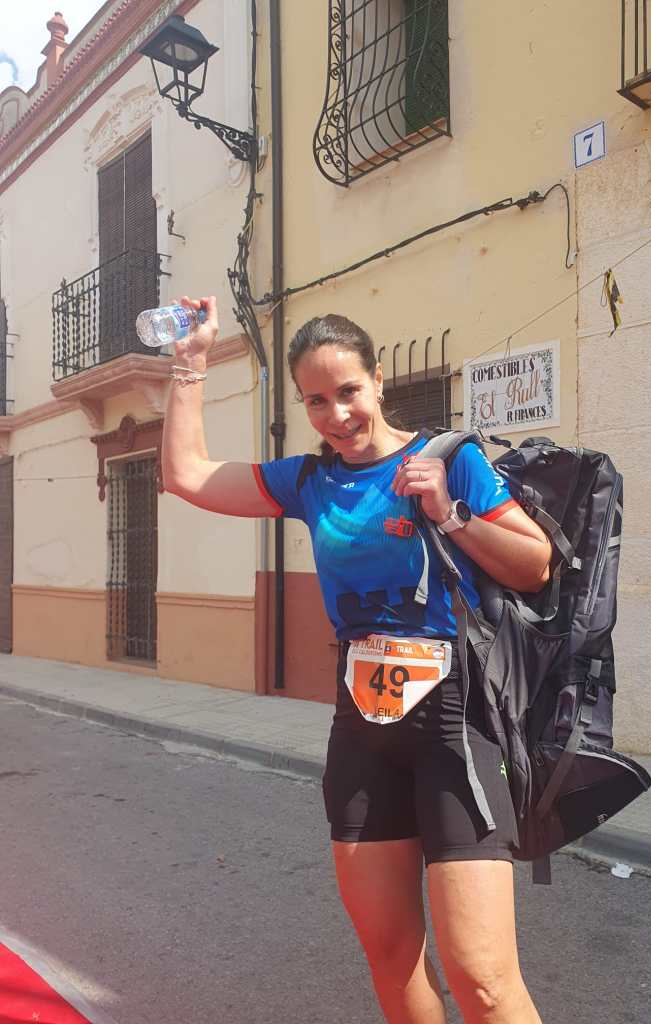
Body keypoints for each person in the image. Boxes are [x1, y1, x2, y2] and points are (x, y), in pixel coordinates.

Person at [162, 294, 550, 1024]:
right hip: (362, 730)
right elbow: (185, 474)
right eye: (316, 401)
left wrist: (450, 513)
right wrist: (190, 363)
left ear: (377, 381)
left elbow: (535, 565)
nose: (336, 414)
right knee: (392, 957)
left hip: (457, 726)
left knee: (483, 979)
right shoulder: (309, 481)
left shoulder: (449, 459)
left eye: (348, 391)